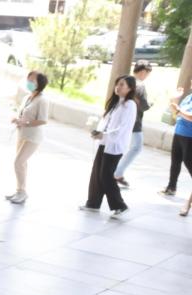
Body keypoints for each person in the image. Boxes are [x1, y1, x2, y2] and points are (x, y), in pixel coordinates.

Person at [79, 75, 137, 217]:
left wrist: (104, 135)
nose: (118, 87)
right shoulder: (116, 103)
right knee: (96, 173)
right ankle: (93, 203)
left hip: (115, 146)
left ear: (130, 88)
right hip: (105, 143)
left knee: (105, 175)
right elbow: (107, 123)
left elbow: (122, 128)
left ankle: (120, 206)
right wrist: (98, 133)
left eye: (122, 85)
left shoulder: (130, 105)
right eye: (117, 84)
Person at [6, 71, 49, 205]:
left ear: (39, 84)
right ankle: (19, 190)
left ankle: (22, 193)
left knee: (18, 162)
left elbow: (43, 120)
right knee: (22, 163)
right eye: (28, 79)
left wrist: (26, 123)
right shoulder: (28, 97)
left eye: (32, 80)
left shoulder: (43, 100)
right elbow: (24, 114)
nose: (29, 82)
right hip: (22, 133)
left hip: (33, 136)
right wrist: (17, 119)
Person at [114, 61, 152, 189]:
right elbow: (144, 105)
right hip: (135, 122)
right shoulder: (140, 85)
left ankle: (116, 172)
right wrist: (150, 104)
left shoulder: (125, 81)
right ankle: (117, 173)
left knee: (120, 144)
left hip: (121, 118)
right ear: (144, 71)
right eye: (148, 73)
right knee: (136, 147)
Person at [160, 87, 192, 198]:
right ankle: (171, 187)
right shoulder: (188, 97)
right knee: (175, 161)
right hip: (179, 133)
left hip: (190, 136)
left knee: (189, 162)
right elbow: (176, 113)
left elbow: (190, 117)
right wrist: (173, 99)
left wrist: (178, 111)